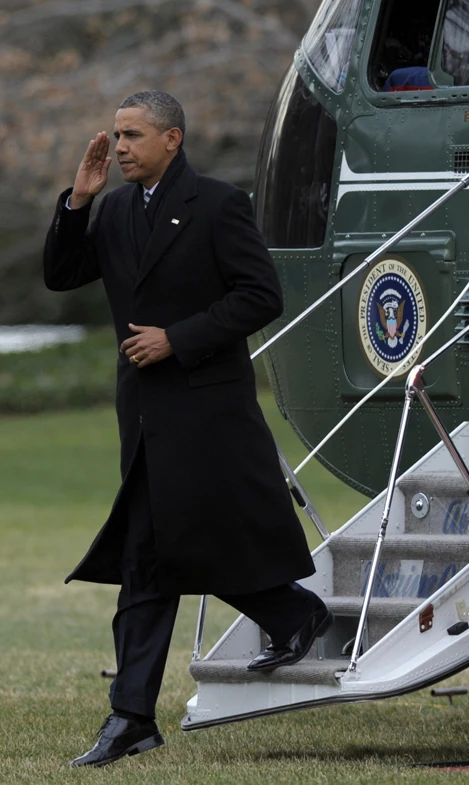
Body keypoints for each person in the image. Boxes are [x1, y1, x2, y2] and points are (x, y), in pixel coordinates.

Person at [43, 91, 331, 767]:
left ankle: (133, 713)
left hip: (208, 410)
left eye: (133, 136)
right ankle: (283, 619)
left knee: (165, 547)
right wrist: (77, 200)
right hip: (144, 414)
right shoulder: (112, 209)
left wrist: (178, 338)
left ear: (173, 139)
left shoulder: (219, 203)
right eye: (115, 136)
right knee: (155, 551)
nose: (118, 148)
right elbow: (60, 275)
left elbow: (262, 295)